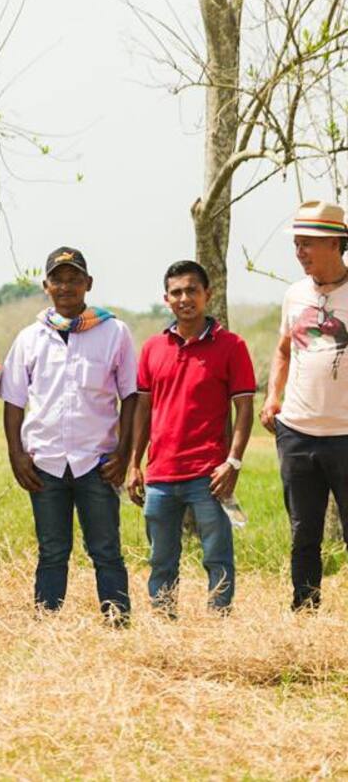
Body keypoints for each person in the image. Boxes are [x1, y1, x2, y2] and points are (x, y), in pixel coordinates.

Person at [0, 247, 137, 619]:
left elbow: (131, 397)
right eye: (58, 279)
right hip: (46, 462)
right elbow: (12, 401)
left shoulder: (114, 332)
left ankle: (116, 619)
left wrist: (124, 455)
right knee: (52, 550)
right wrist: (16, 454)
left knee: (106, 549)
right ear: (46, 286)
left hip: (97, 461)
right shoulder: (31, 337)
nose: (66, 287)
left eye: (74, 279)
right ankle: (48, 622)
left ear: (88, 284)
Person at [128, 260, 255, 615]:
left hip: (209, 475)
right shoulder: (153, 348)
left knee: (217, 557)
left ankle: (218, 623)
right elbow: (143, 410)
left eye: (192, 291)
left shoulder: (231, 345)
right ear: (166, 299)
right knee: (161, 559)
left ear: (207, 295)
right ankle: (163, 621)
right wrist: (134, 464)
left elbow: (244, 408)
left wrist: (233, 462)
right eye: (177, 292)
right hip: (161, 476)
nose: (185, 298)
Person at [261, 201, 348, 610]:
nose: (300, 252)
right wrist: (273, 396)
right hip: (296, 434)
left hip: (345, 434)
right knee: (303, 532)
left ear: (336, 242)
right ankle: (304, 611)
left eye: (308, 244)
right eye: (297, 244)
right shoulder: (293, 295)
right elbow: (282, 350)